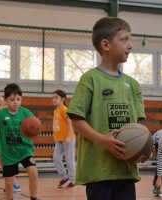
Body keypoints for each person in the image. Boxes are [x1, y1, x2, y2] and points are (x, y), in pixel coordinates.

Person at [67, 17, 146, 200]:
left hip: (125, 170)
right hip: (99, 171)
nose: (130, 45)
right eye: (124, 39)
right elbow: (76, 121)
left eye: (130, 39)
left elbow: (139, 128)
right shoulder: (90, 79)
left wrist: (144, 147)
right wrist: (104, 140)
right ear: (106, 44)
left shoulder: (133, 85)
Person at [0, 83, 38, 200]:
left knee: (34, 173)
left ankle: (34, 198)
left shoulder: (26, 113)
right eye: (11, 99)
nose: (15, 102)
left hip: (25, 150)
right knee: (9, 183)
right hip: (8, 154)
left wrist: (36, 125)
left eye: (18, 99)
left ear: (21, 99)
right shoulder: (0, 115)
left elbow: (34, 127)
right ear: (6, 100)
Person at [52, 90, 76, 188]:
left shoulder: (64, 109)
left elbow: (70, 123)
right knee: (56, 158)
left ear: (62, 99)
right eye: (53, 97)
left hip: (68, 138)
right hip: (59, 139)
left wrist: (68, 137)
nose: (53, 99)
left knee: (69, 160)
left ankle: (72, 180)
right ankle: (64, 178)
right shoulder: (55, 110)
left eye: (56, 97)